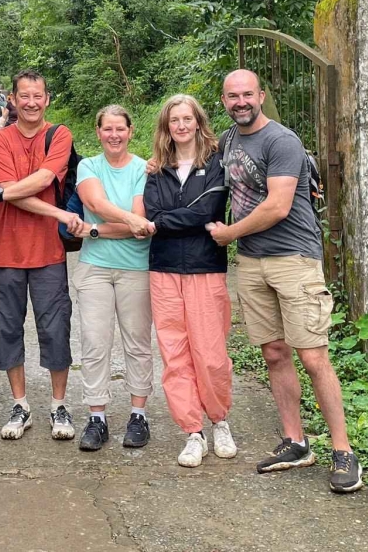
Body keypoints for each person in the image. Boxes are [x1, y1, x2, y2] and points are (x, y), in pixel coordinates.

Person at [209, 69, 361, 493]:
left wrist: (229, 234)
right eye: (232, 96)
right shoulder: (228, 141)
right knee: (275, 353)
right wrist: (154, 163)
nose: (241, 102)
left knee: (313, 357)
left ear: (261, 96)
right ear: (223, 101)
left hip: (293, 259)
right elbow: (191, 158)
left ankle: (343, 450)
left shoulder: (281, 141)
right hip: (253, 262)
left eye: (247, 94)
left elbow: (277, 206)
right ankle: (296, 442)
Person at [0, 70, 77, 442]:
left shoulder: (59, 135)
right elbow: (11, 189)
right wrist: (53, 210)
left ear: (47, 99)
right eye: (24, 96)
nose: (31, 103)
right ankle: (20, 404)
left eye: (38, 96)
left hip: (48, 252)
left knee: (56, 328)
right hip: (5, 251)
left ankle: (58, 404)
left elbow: (44, 180)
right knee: (7, 327)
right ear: (13, 100)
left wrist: (1, 194)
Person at [143, 94, 235, 468]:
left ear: (198, 122)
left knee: (210, 354)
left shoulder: (216, 163)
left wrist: (166, 221)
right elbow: (152, 212)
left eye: (187, 118)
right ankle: (193, 431)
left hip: (205, 267)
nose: (181, 126)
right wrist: (175, 219)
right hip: (164, 269)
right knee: (175, 353)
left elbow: (208, 210)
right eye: (174, 120)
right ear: (166, 127)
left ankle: (219, 421)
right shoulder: (156, 168)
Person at [67, 105, 155, 451]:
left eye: (120, 129)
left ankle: (138, 415)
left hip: (136, 268)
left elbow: (139, 219)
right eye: (108, 129)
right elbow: (97, 203)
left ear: (130, 131)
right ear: (98, 131)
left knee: (137, 342)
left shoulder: (143, 168)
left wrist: (94, 230)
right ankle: (97, 418)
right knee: (94, 342)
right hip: (95, 269)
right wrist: (130, 223)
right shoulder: (88, 166)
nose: (114, 135)